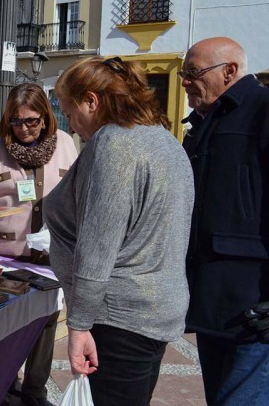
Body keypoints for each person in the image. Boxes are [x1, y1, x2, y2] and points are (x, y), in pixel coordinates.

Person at [43, 56, 194, 406]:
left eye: (69, 111)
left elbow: (99, 244)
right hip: (155, 307)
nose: (70, 124)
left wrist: (78, 326)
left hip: (119, 318)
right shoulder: (165, 140)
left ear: (92, 101)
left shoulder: (115, 142)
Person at [0, 83, 77, 406]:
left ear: (46, 117)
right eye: (16, 121)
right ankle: (6, 385)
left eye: (32, 121)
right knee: (8, 325)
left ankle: (35, 390)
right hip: (8, 257)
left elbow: (79, 193)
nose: (24, 128)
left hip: (52, 256)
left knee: (46, 325)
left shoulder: (65, 144)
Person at [179, 37, 269, 405]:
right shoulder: (202, 124)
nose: (184, 82)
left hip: (256, 311)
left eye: (193, 73)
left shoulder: (263, 111)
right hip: (212, 307)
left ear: (230, 71)